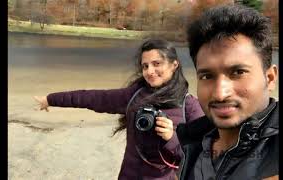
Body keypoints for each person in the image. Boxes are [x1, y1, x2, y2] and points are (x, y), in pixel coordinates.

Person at [34, 38, 205, 180]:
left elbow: (203, 156)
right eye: (145, 66)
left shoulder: (189, 106)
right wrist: (50, 99)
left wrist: (172, 138)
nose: (150, 71)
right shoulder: (134, 95)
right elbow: (92, 98)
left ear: (174, 65)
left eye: (156, 63)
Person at [176, 4, 279, 180]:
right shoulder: (192, 143)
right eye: (207, 76)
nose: (220, 94)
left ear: (269, 78)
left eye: (238, 72)